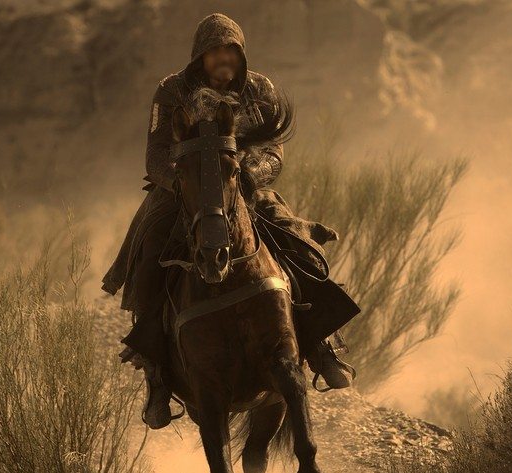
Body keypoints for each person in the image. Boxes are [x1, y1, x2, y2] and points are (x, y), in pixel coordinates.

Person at [102, 13, 354, 430]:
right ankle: (156, 370)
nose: (224, 58)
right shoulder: (171, 90)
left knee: (293, 237)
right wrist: (182, 183)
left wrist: (247, 178)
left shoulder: (260, 89)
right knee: (150, 245)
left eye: (231, 50)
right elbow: (155, 154)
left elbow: (273, 152)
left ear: (241, 53)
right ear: (200, 55)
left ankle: (320, 345)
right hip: (182, 191)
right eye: (215, 50)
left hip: (242, 187)